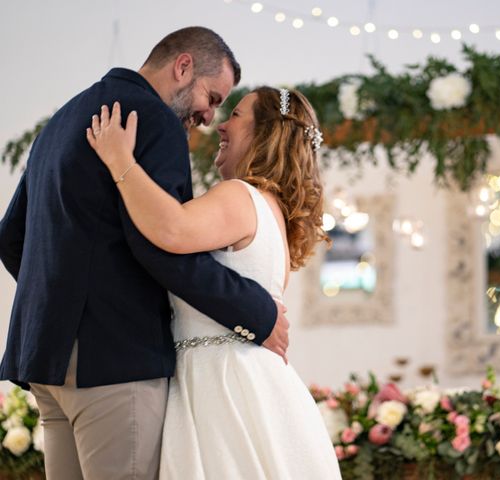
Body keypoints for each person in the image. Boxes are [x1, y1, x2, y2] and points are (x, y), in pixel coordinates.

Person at [0, 27, 289, 480]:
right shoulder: (151, 120)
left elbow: (11, 238)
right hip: (115, 359)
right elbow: (162, 243)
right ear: (183, 67)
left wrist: (66, 303)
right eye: (212, 97)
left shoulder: (65, 117)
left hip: (46, 359)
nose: (210, 117)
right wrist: (258, 313)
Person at [86, 87, 341, 479]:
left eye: (236, 115)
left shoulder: (240, 196)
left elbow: (170, 229)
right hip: (253, 383)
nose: (222, 124)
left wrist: (120, 160)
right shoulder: (273, 211)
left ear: (265, 133)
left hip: (222, 386)